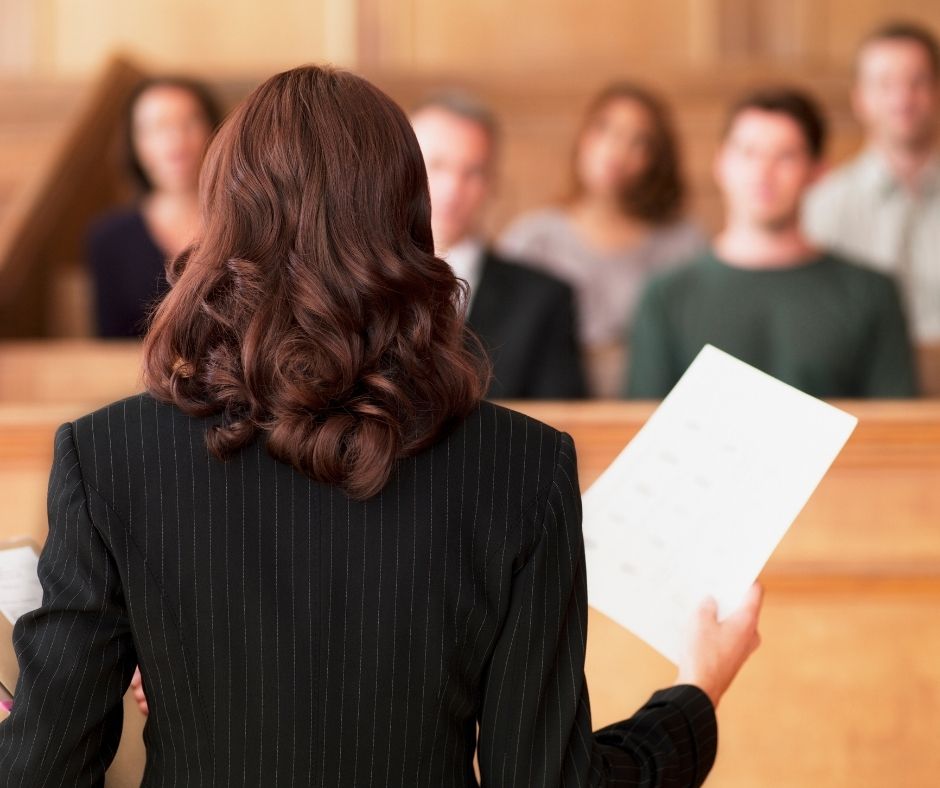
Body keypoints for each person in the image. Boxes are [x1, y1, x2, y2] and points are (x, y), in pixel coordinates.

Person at [0, 65, 762, 786]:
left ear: (223, 218)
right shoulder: (524, 467)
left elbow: (40, 769)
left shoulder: (107, 457)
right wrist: (696, 693)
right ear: (410, 217)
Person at [626, 87, 918, 399]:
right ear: (720, 163)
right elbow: (639, 427)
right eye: (748, 152)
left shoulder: (872, 294)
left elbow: (894, 430)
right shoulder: (666, 295)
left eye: (785, 156)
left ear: (817, 172)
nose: (763, 172)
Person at [500, 82, 706, 397]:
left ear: (656, 160)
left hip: (653, 402)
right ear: (583, 136)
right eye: (604, 129)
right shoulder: (532, 238)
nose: (616, 150)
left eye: (640, 142)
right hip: (552, 404)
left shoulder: (681, 242)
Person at [410, 91, 586, 399]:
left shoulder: (545, 299)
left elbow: (563, 420)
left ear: (492, 184)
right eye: (436, 165)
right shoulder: (358, 284)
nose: (453, 188)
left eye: (473, 172)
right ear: (404, 170)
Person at [805, 21, 940, 342]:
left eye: (917, 81)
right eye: (885, 84)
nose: (902, 98)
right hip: (858, 386)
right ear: (859, 98)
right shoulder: (823, 203)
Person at [86, 76, 222, 337]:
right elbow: (107, 344)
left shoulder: (243, 221)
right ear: (135, 144)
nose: (176, 139)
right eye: (159, 127)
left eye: (190, 122)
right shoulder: (108, 238)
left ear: (215, 132)